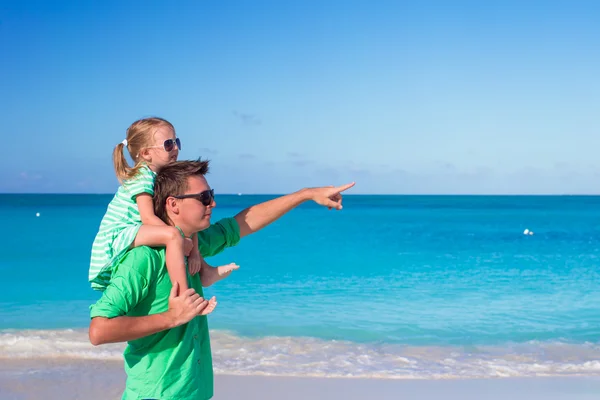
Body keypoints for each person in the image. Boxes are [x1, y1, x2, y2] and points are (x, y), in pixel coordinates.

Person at [89, 158, 355, 400]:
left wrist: (305, 195)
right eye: (204, 197)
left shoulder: (196, 245)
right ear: (173, 204)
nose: (212, 203)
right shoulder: (143, 259)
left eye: (211, 195)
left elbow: (244, 222)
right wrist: (171, 317)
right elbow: (99, 330)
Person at [88, 117, 237, 305]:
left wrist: (194, 253)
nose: (175, 148)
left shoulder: (160, 177)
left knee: (187, 222)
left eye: (177, 142)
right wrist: (180, 240)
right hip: (120, 232)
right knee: (174, 235)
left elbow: (183, 224)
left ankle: (205, 272)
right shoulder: (142, 176)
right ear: (146, 153)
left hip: (136, 228)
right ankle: (184, 296)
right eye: (168, 144)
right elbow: (149, 218)